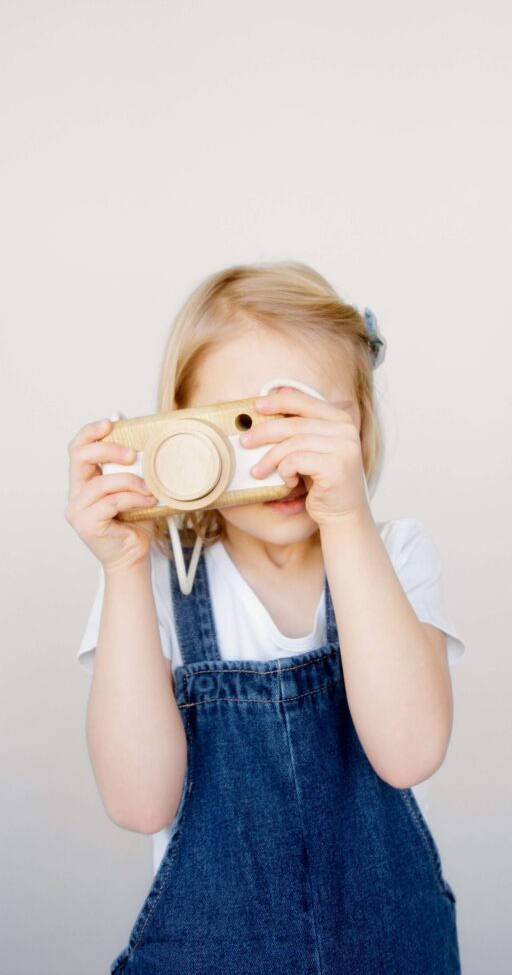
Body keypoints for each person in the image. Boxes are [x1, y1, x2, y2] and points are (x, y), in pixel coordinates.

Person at [67, 261, 466, 974]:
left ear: (359, 427)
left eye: (304, 422)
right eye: (240, 425)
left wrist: (344, 516)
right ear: (177, 435)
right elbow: (138, 802)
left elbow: (408, 754)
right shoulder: (152, 579)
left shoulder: (395, 556)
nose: (276, 459)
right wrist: (123, 567)